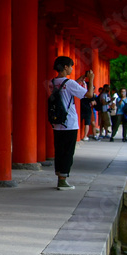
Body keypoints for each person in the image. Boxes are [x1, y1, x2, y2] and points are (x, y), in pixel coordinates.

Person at [49, 56, 92, 190]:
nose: (72, 68)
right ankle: (63, 180)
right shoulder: (70, 84)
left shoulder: (52, 82)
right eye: (71, 66)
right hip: (69, 122)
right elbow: (89, 95)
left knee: (60, 151)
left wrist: (78, 80)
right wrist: (91, 80)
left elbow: (65, 87)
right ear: (66, 67)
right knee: (68, 152)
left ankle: (59, 176)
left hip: (57, 123)